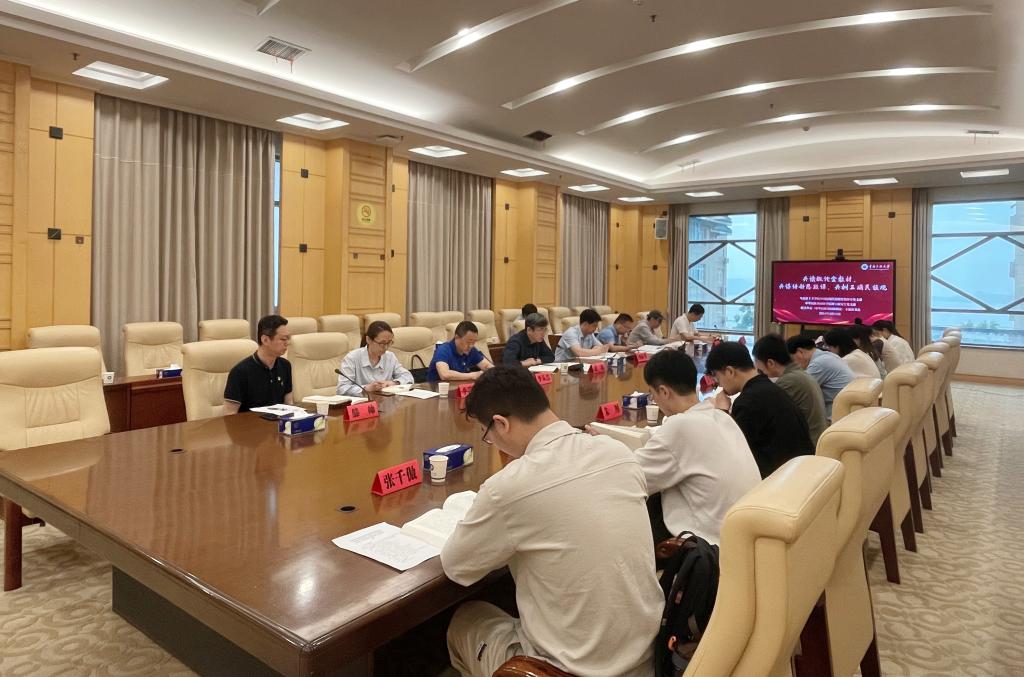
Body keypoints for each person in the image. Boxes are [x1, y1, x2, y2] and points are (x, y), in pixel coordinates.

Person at [442, 367, 663, 677]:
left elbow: (457, 567)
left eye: (487, 435)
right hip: (648, 658)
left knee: (466, 618)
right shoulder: (618, 451)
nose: (492, 442)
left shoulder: (510, 486)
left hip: (566, 670)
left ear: (501, 424)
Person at [629, 349, 760, 544]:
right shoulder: (722, 417)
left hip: (709, 550)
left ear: (664, 391)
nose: (654, 400)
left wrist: (606, 446)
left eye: (652, 394)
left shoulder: (680, 427)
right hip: (744, 538)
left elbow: (630, 476)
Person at [706, 341, 814, 477]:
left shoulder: (749, 400)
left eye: (717, 378)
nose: (720, 384)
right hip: (801, 472)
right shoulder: (767, 387)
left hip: (779, 479)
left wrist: (721, 411)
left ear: (729, 372)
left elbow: (728, 450)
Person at [752, 334, 828, 446]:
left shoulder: (790, 381)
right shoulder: (798, 374)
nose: (760, 372)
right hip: (815, 440)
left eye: (760, 369)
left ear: (770, 363)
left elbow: (765, 415)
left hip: (808, 446)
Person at [223, 314, 293, 414]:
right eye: (283, 339)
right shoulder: (240, 372)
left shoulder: (285, 366)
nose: (287, 343)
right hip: (249, 423)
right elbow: (229, 414)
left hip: (278, 422)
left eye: (288, 338)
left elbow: (289, 404)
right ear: (265, 340)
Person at [786, 335, 855, 421]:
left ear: (800, 352)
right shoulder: (827, 356)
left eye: (792, 359)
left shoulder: (819, 363)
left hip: (835, 416)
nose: (793, 363)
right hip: (845, 412)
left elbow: (797, 389)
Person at [336, 320, 414, 395]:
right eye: (382, 343)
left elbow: (408, 377)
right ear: (368, 340)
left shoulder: (390, 357)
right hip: (363, 402)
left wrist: (393, 383)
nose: (386, 347)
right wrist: (366, 388)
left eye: (389, 343)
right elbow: (342, 389)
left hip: (386, 401)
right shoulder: (352, 358)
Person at [428, 321, 494, 382]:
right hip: (437, 389)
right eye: (468, 342)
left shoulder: (471, 350)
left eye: (474, 342)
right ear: (457, 337)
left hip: (459, 387)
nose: (471, 346)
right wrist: (472, 375)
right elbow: (445, 375)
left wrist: (494, 372)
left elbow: (486, 366)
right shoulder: (443, 350)